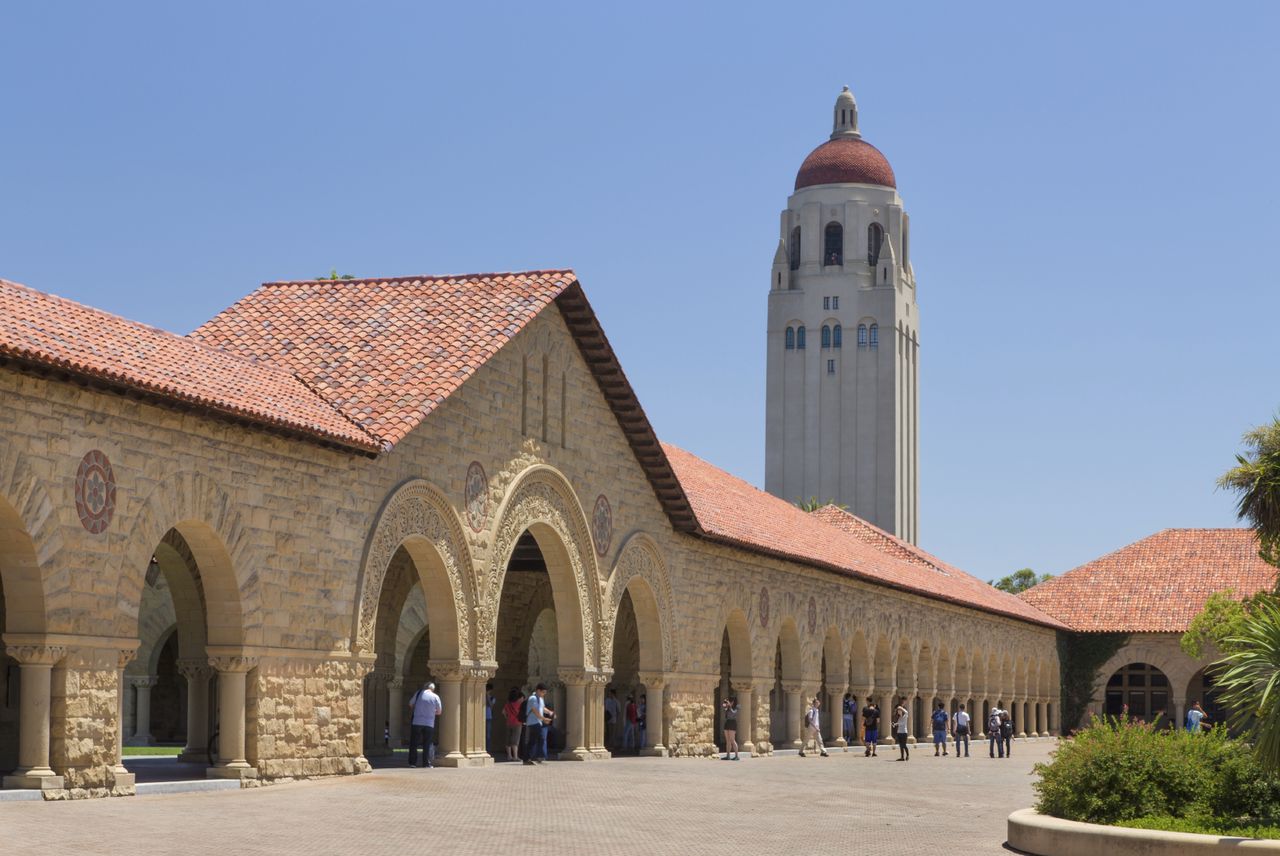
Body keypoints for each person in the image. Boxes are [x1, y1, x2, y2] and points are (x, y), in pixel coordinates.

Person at [407, 680, 442, 768]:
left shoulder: (419, 693)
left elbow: (410, 704)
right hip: (429, 723)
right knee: (427, 743)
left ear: (425, 687)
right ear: (432, 689)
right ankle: (426, 763)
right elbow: (439, 712)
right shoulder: (435, 697)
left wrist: (418, 708)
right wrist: (431, 711)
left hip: (417, 721)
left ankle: (412, 763)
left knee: (414, 743)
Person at [523, 683, 553, 765]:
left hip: (538, 722)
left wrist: (550, 712)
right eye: (543, 692)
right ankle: (528, 758)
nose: (544, 694)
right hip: (533, 722)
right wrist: (544, 719)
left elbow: (542, 708)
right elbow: (535, 710)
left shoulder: (540, 698)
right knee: (534, 740)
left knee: (538, 739)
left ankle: (535, 757)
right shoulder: (533, 698)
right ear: (538, 690)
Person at [502, 687, 524, 761]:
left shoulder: (508, 704)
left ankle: (509, 756)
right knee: (515, 740)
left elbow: (503, 712)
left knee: (508, 740)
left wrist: (507, 717)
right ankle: (515, 756)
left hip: (509, 723)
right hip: (517, 723)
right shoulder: (519, 704)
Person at [721, 696, 740, 760]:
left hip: (732, 723)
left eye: (730, 702)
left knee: (732, 740)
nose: (729, 703)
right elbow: (724, 711)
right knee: (728, 740)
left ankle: (736, 756)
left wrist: (730, 706)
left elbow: (733, 713)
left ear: (733, 702)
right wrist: (725, 705)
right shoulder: (728, 707)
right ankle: (728, 756)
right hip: (727, 722)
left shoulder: (737, 707)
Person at [484, 682, 496, 755]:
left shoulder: (492, 698)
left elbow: (491, 705)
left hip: (488, 717)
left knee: (488, 735)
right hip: (481, 717)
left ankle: (488, 750)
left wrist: (487, 696)